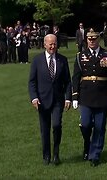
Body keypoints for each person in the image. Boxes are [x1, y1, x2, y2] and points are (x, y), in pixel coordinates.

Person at [72, 29, 107, 167]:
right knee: (85, 124)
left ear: (98, 39)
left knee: (99, 127)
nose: (92, 41)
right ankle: (88, 143)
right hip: (85, 95)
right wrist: (74, 96)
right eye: (89, 39)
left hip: (102, 94)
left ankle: (95, 154)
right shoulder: (80, 56)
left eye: (94, 39)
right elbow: (76, 77)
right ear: (86, 40)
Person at [28, 34, 72, 166]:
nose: (53, 46)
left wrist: (68, 98)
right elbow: (32, 82)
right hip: (42, 100)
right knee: (45, 129)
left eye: (54, 44)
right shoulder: (37, 60)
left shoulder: (62, 60)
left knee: (57, 125)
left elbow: (67, 82)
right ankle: (46, 155)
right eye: (50, 44)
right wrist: (34, 98)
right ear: (45, 44)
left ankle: (56, 154)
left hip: (58, 100)